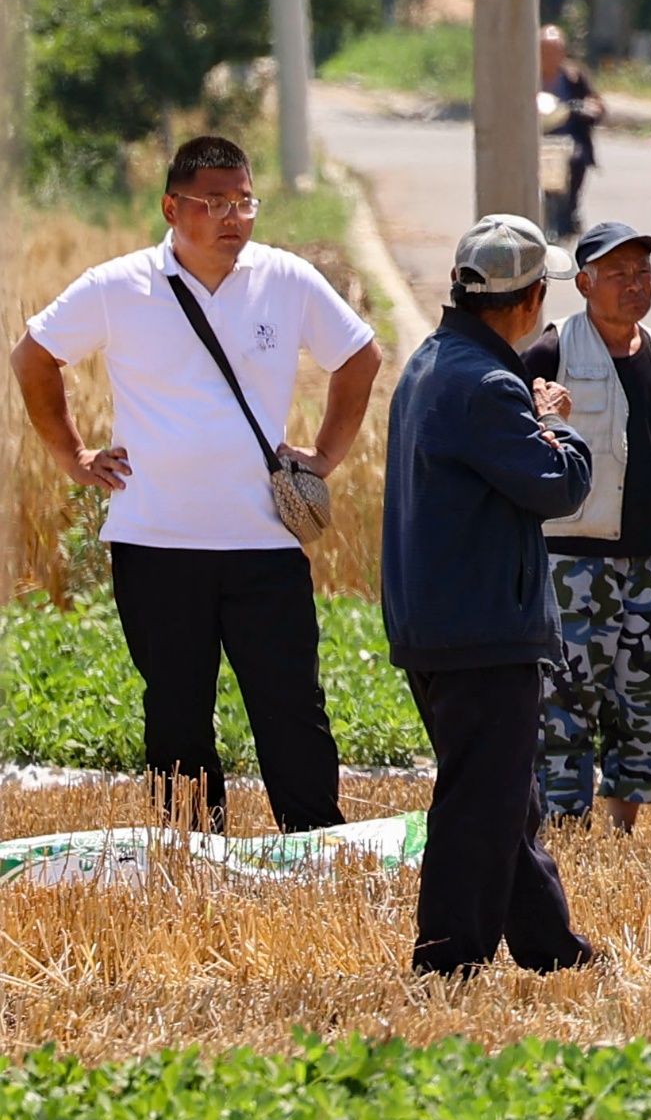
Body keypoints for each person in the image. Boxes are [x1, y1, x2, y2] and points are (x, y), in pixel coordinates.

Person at [12, 133, 378, 832]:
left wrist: (325, 456)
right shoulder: (117, 286)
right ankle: (189, 855)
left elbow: (360, 356)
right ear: (171, 208)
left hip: (266, 544)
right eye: (215, 203)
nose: (234, 217)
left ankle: (315, 848)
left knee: (291, 705)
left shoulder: (288, 278)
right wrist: (72, 456)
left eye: (245, 201)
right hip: (154, 542)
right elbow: (33, 357)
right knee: (176, 712)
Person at [380, 214, 597, 977]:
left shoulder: (432, 362)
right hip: (482, 626)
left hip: (439, 619)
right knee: (482, 802)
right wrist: (558, 428)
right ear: (530, 298)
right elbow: (558, 486)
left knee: (507, 799)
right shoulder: (488, 385)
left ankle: (551, 949)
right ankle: (448, 959)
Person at [528, 221, 651, 833]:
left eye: (642, 272)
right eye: (618, 274)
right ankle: (564, 829)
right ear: (585, 283)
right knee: (567, 701)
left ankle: (623, 827)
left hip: (647, 561)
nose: (634, 285)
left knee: (644, 699)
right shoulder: (551, 353)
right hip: (573, 562)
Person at [537, 27, 603, 239]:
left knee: (577, 159)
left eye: (554, 52)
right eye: (544, 51)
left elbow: (595, 101)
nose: (549, 57)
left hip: (567, 140)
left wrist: (590, 108)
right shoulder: (525, 77)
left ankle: (570, 208)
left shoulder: (574, 77)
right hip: (535, 140)